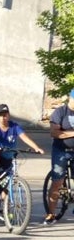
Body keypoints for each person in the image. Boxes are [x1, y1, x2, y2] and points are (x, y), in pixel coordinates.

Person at [0, 103, 44, 188]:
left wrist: (36, 148)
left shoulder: (15, 127)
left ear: (8, 115)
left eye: (5, 115)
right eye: (0, 115)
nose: (3, 118)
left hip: (8, 156)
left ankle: (7, 200)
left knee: (5, 188)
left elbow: (24, 137)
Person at [43, 90, 74, 224]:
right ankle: (51, 213)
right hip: (61, 150)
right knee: (57, 182)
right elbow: (54, 133)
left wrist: (67, 133)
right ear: (70, 98)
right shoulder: (60, 112)